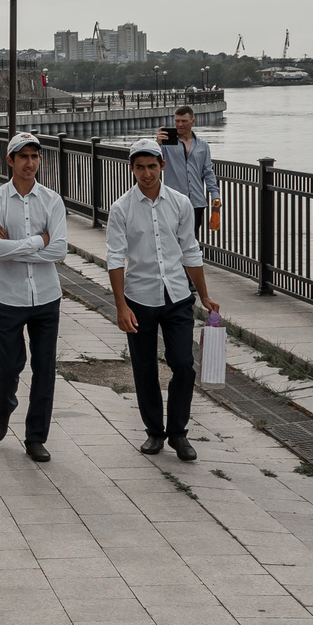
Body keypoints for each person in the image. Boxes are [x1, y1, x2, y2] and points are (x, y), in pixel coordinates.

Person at [107, 140, 218, 462]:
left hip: (178, 297)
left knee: (183, 365)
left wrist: (206, 295)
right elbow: (114, 258)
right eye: (140, 167)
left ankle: (179, 433)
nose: (146, 173)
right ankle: (155, 432)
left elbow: (190, 250)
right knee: (144, 369)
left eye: (151, 167)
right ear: (132, 169)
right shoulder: (121, 208)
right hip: (138, 298)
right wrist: (120, 306)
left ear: (162, 166)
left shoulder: (181, 204)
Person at [0, 133, 67, 463]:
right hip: (9, 297)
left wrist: (16, 246)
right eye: (23, 157)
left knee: (44, 368)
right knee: (8, 366)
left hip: (47, 296)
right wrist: (38, 241)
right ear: (10, 161)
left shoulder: (52, 201)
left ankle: (35, 437)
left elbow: (59, 249)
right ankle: (4, 407)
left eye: (35, 156)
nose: (30, 163)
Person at [158, 105, 216, 236]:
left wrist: (215, 195)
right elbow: (153, 162)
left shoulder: (202, 145)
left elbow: (208, 171)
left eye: (183, 121)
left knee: (193, 237)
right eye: (177, 121)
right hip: (173, 200)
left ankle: (194, 257)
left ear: (193, 121)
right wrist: (157, 144)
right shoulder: (167, 143)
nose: (179, 124)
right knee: (172, 237)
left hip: (196, 201)